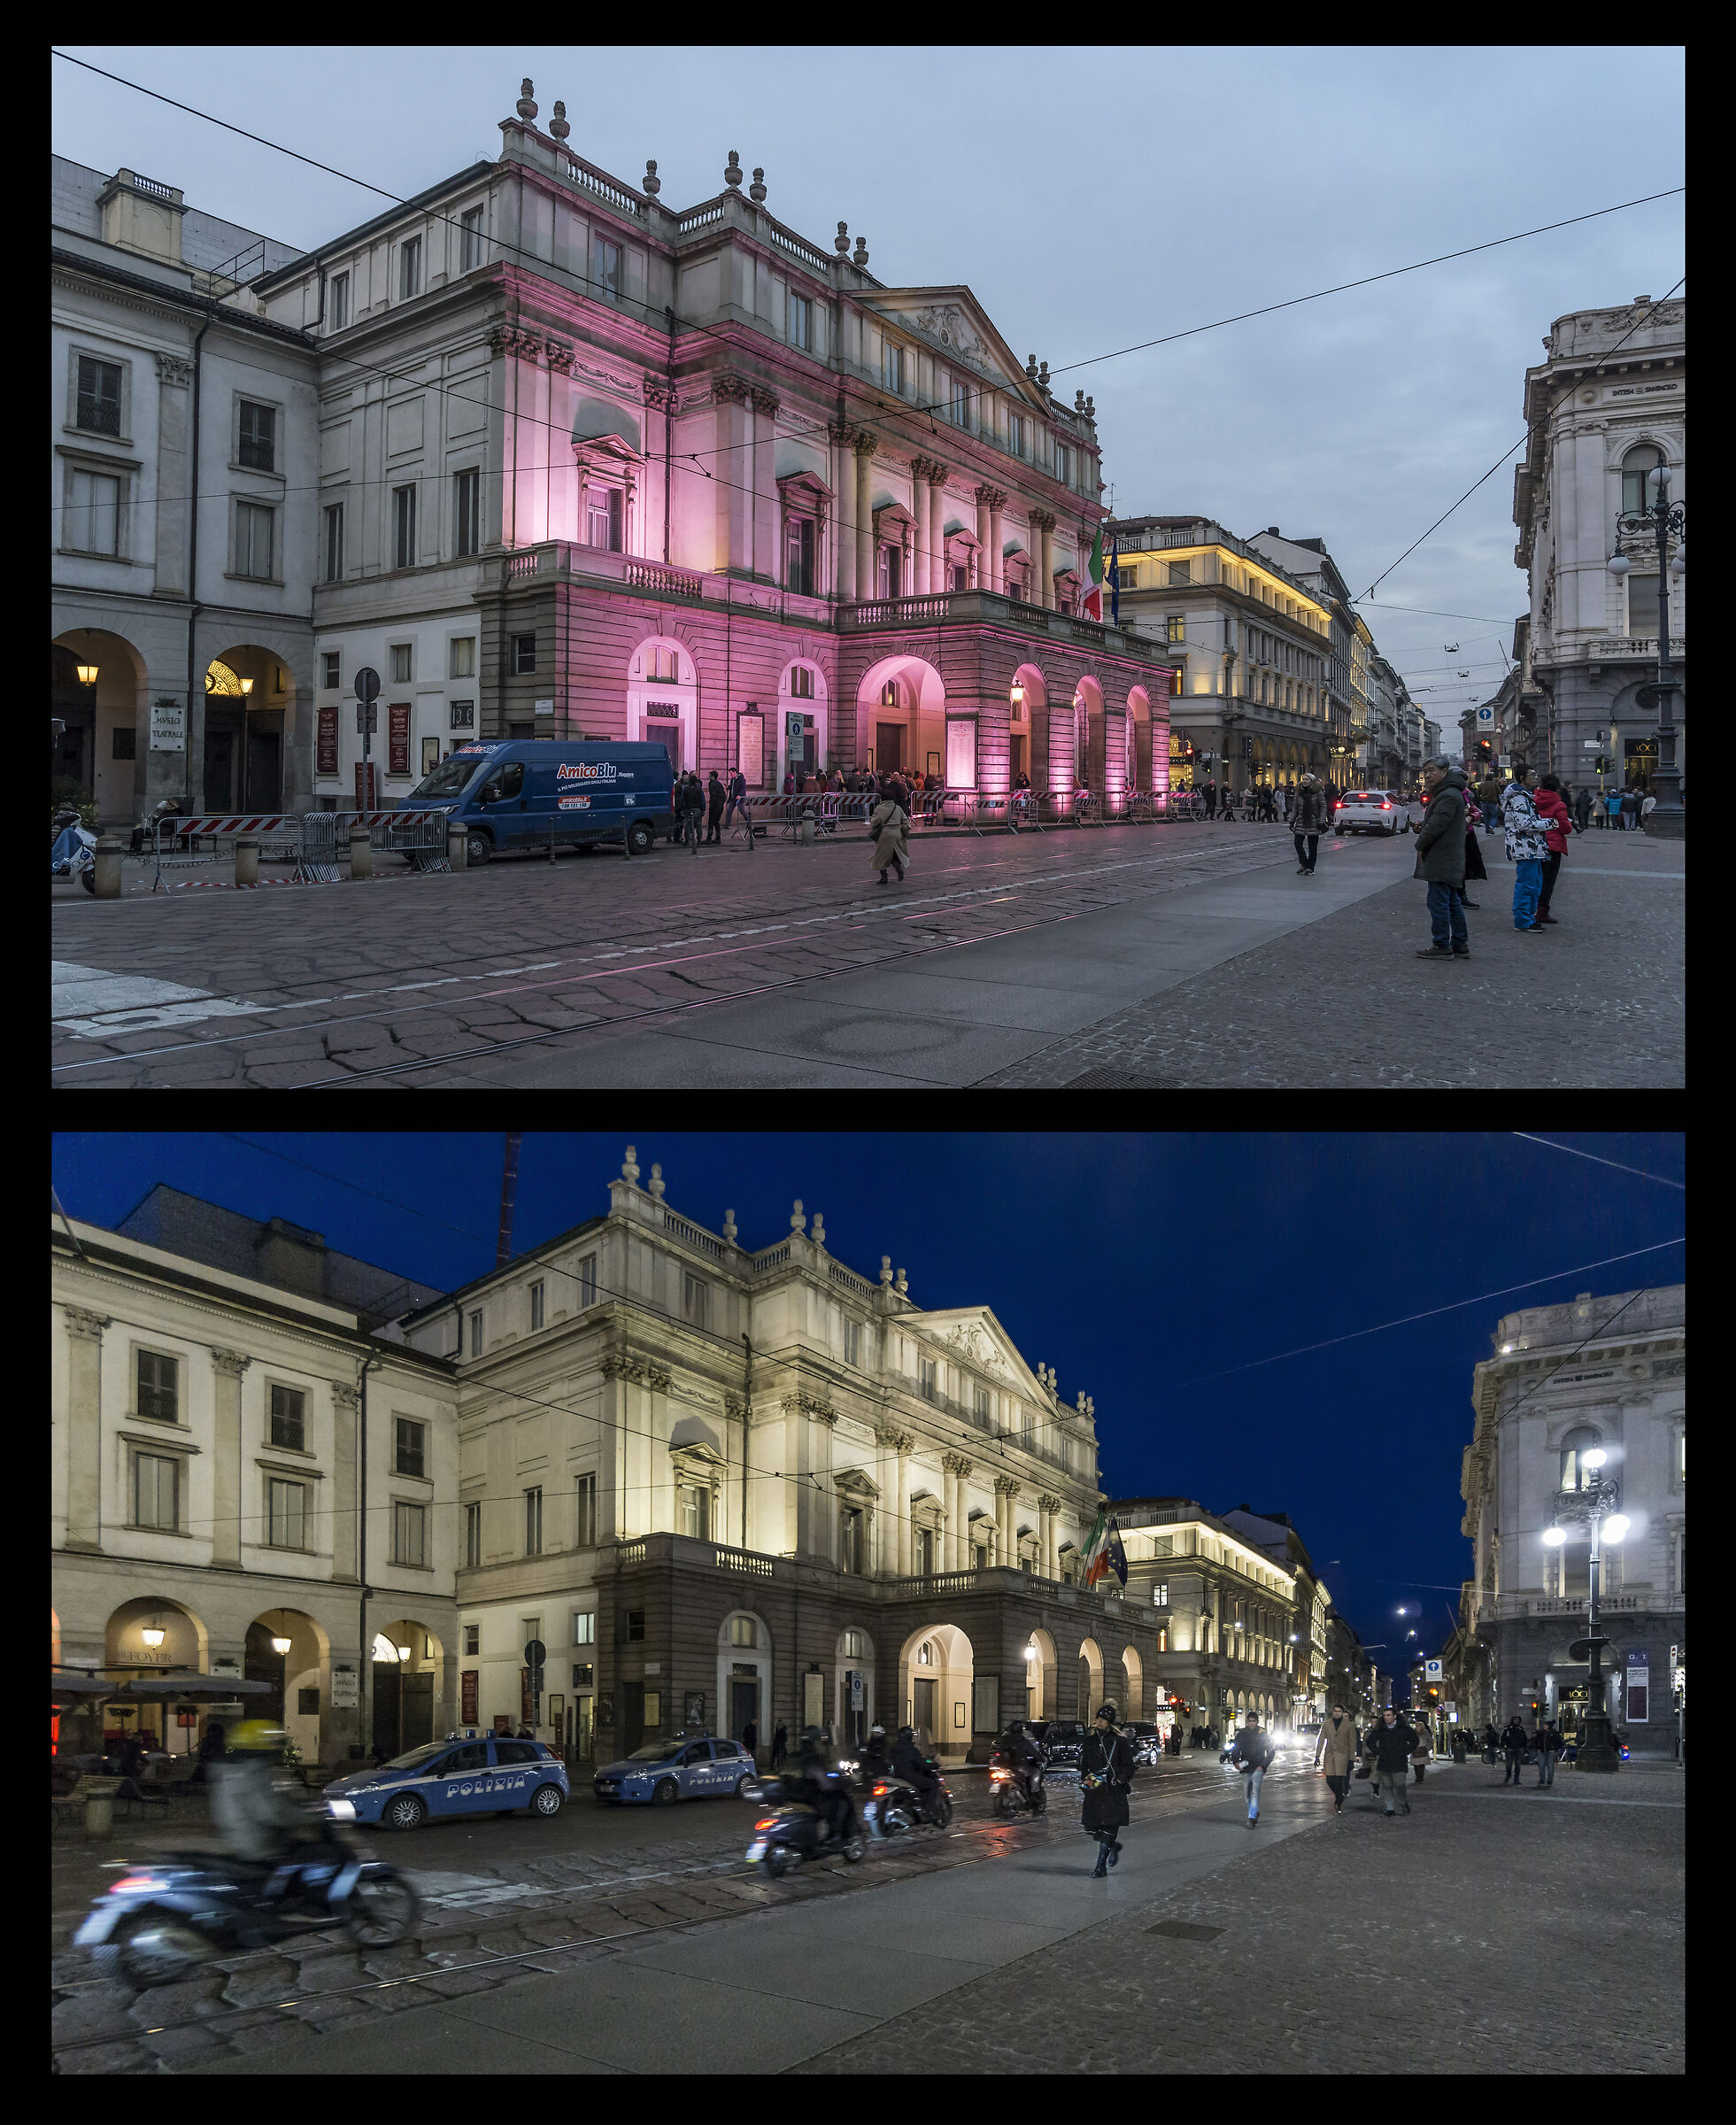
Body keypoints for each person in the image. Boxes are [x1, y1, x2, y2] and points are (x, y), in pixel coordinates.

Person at [208, 1720, 328, 1873]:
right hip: (263, 1849)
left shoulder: (230, 1772)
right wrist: (311, 1817)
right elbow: (273, 1813)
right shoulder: (251, 1774)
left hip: (245, 1844)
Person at [1413, 757, 1470, 959]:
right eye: (1425, 771)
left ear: (1445, 771)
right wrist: (1423, 825)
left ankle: (1441, 944)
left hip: (1442, 856)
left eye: (1432, 770)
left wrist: (1420, 844)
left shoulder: (1447, 796)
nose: (1427, 775)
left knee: (1438, 902)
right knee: (1453, 901)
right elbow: (1438, 821)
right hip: (1449, 855)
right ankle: (1460, 943)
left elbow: (1437, 826)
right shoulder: (1449, 793)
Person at [1079, 1703, 1134, 1876]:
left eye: (1104, 1719)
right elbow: (1084, 1765)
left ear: (1110, 1722)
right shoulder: (1089, 1741)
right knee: (1092, 1827)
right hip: (1095, 1789)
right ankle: (1113, 1845)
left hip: (1113, 1791)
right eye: (1099, 1718)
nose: (1100, 1721)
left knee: (1110, 1826)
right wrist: (1085, 1781)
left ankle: (1100, 1866)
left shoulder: (1119, 1741)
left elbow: (1129, 1765)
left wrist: (1120, 1779)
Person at [1532, 772, 1574, 925]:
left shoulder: (1533, 801)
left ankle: (1529, 909)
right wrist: (1568, 824)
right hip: (1552, 847)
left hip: (1535, 845)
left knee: (1535, 878)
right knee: (1548, 880)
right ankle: (1542, 911)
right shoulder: (1559, 804)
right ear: (1556, 788)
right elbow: (1565, 828)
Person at [1368, 1706, 1417, 1818]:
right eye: (1384, 1715)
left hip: (1399, 1761)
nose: (1386, 1717)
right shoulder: (1380, 1730)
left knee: (1400, 1784)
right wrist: (1378, 1752)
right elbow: (1370, 1742)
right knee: (1387, 1785)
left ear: (1395, 1716)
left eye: (1388, 1715)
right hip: (1385, 1761)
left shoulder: (1404, 1729)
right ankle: (1389, 1807)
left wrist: (1405, 1752)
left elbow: (1414, 1741)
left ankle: (1403, 1803)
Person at [1230, 1712, 1276, 1826]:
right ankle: (1254, 1811)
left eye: (1254, 1721)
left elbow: (1271, 1752)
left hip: (1258, 1767)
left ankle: (1251, 1817)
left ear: (1257, 1722)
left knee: (1255, 1792)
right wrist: (1236, 1761)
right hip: (1246, 1767)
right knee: (1246, 1795)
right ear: (1247, 1722)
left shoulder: (1263, 1734)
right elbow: (1235, 1749)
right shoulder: (1242, 1734)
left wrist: (1263, 1766)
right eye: (1250, 1721)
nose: (1252, 1723)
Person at [890, 1724, 942, 1818]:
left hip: (897, 1776)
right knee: (933, 1785)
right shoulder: (911, 1749)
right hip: (911, 1776)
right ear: (910, 1736)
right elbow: (922, 1763)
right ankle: (928, 1810)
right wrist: (935, 1765)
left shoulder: (893, 1748)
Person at [1316, 1702, 1358, 1816]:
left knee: (1339, 1780)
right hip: (1329, 1756)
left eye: (1339, 1711)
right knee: (1329, 1779)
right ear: (1332, 1712)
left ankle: (1338, 1803)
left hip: (1343, 1756)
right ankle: (1340, 1796)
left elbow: (1352, 1742)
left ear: (1342, 1712)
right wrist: (1317, 1755)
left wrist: (1351, 1758)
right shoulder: (1327, 1724)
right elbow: (1321, 1740)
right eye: (1335, 1711)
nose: (1337, 1713)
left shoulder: (1349, 1725)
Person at [996, 1716, 1043, 1808]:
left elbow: (999, 1751)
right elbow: (1032, 1751)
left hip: (1006, 1767)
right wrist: (1041, 1758)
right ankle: (1034, 1794)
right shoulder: (1022, 1740)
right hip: (1020, 1766)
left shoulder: (1005, 1739)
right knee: (1036, 1772)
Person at [868, 786, 909, 886]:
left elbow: (874, 822)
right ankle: (898, 867)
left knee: (882, 856)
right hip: (897, 833)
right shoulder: (897, 808)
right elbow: (905, 822)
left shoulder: (879, 808)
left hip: (885, 834)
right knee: (895, 854)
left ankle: (884, 877)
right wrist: (905, 833)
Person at [1292, 772, 1329, 876]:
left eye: (1307, 779)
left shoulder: (1318, 792)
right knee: (1297, 843)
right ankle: (1304, 863)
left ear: (1312, 781)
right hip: (1301, 821)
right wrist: (1292, 820)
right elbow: (1295, 808)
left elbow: (1323, 807)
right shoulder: (1299, 792)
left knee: (1312, 846)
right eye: (1303, 779)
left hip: (1314, 822)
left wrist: (1321, 820)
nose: (1305, 781)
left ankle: (1310, 867)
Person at [1460, 790, 1487, 909]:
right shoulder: (1446, 792)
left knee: (1463, 866)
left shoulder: (1466, 795)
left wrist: (1470, 817)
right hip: (1454, 835)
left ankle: (1461, 896)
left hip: (1466, 834)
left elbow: (1476, 811)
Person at [1534, 1718, 1562, 1789]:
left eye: (1545, 1725)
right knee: (1541, 1766)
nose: (1544, 1726)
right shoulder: (1541, 1733)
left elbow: (1559, 1741)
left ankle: (1549, 1780)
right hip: (1542, 1751)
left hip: (1550, 1751)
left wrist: (1555, 1748)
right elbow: (1536, 1740)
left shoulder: (1554, 1733)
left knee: (1550, 1767)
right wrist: (1538, 1747)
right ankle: (1542, 1780)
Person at [1500, 1714, 1527, 1786]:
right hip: (1509, 1749)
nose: (1516, 1721)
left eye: (1518, 1720)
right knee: (1509, 1764)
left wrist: (1524, 1747)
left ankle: (1516, 1779)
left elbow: (1525, 1739)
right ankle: (1508, 1776)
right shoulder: (1507, 1729)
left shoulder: (1521, 1729)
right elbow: (1503, 1738)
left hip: (1519, 1749)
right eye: (1515, 1720)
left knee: (1518, 1765)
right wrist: (1502, 1746)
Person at [723, 767, 750, 836]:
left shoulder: (741, 779)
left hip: (739, 798)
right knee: (729, 811)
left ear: (735, 772)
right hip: (733, 798)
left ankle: (749, 823)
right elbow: (732, 787)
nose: (730, 775)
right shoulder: (733, 779)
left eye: (731, 773)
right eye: (730, 773)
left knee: (742, 811)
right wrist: (728, 787)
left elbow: (743, 788)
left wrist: (740, 795)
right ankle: (727, 824)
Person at [704, 769, 726, 845]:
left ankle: (709, 839)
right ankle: (718, 838)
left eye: (709, 775)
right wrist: (721, 803)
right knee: (716, 822)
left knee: (711, 822)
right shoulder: (719, 784)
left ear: (713, 777)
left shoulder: (712, 784)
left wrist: (712, 805)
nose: (708, 777)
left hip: (715, 805)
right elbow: (724, 796)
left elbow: (713, 796)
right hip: (720, 805)